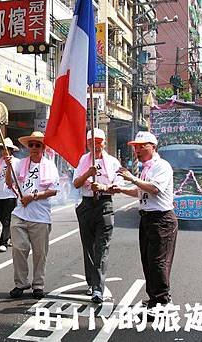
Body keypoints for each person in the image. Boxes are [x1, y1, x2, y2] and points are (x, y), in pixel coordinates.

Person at [108, 131, 178, 312]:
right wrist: (122, 189)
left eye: (141, 146)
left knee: (158, 261)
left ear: (153, 147)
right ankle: (154, 298)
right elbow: (141, 192)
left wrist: (131, 178)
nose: (137, 150)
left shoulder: (162, 166)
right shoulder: (146, 168)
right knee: (147, 260)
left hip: (161, 219)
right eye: (135, 147)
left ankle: (163, 302)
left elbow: (154, 189)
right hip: (147, 218)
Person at [5, 131, 59, 299]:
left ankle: (38, 285)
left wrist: (34, 196)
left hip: (40, 216)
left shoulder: (49, 165)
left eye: (38, 145)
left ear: (43, 148)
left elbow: (53, 190)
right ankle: (20, 283)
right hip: (20, 213)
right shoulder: (20, 164)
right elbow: (9, 182)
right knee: (19, 248)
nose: (34, 148)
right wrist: (8, 167)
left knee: (39, 253)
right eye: (31, 145)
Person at [72, 128, 123, 304]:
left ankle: (97, 288)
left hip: (105, 204)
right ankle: (91, 282)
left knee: (102, 246)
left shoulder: (113, 162)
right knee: (88, 246)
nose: (95, 145)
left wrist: (103, 188)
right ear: (87, 144)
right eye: (91, 142)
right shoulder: (83, 161)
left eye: (99, 141)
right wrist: (88, 173)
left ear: (104, 142)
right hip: (86, 205)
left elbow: (118, 186)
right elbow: (76, 183)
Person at [0, 138, 20, 252]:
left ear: (11, 150)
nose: (4, 151)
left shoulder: (16, 162)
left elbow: (18, 177)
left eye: (6, 149)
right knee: (2, 217)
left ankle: (3, 243)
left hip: (10, 194)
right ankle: (11, 235)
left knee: (7, 219)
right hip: (0, 194)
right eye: (2, 149)